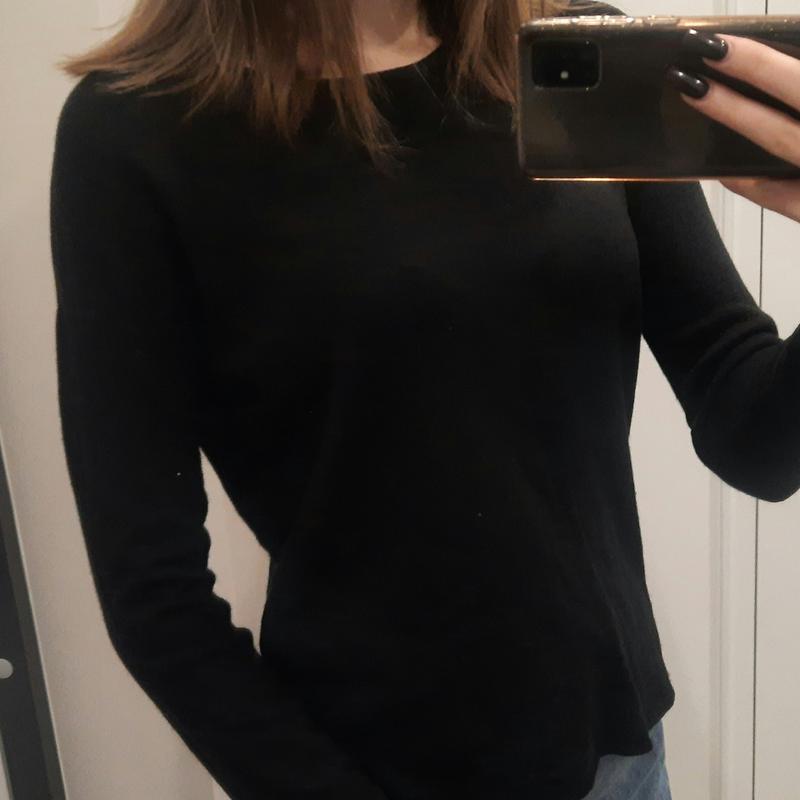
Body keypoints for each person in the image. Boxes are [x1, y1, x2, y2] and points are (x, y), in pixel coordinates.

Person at [48, 0, 800, 798]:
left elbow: (755, 440)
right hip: (371, 772)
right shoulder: (138, 129)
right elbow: (153, 592)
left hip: (622, 764)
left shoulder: (576, 58)